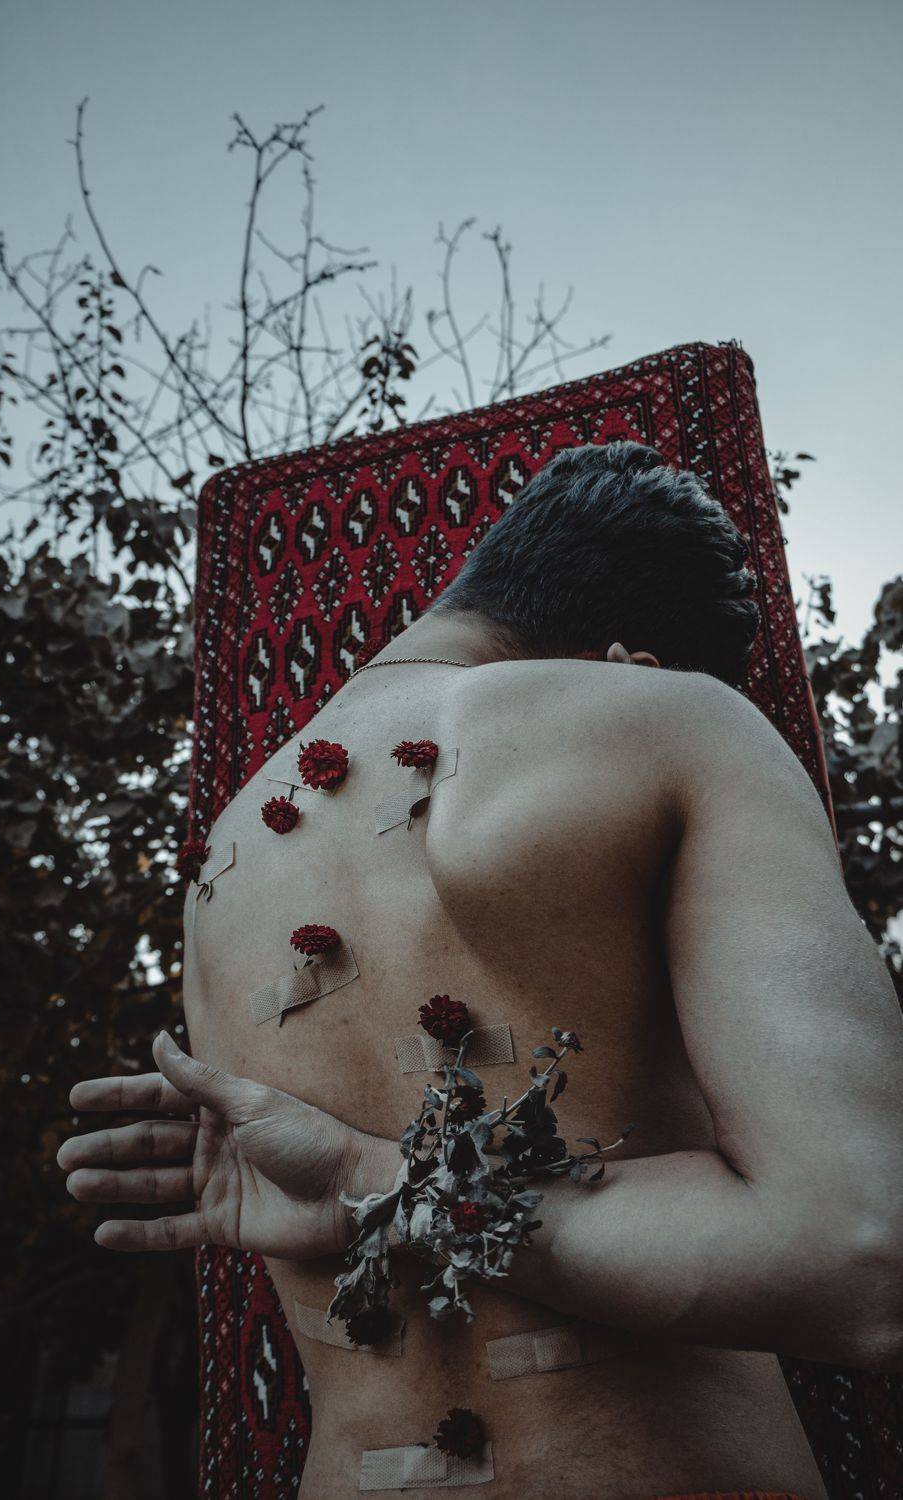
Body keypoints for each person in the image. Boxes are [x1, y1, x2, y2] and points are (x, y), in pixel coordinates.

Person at [58, 442, 903, 1500]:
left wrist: (368, 1180)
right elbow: (863, 1256)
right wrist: (376, 1179)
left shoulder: (224, 858)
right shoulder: (664, 720)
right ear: (630, 664)